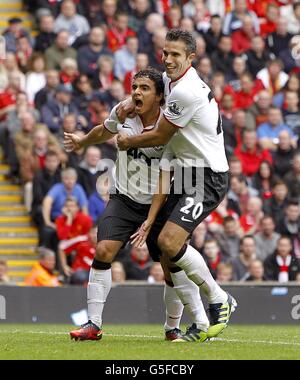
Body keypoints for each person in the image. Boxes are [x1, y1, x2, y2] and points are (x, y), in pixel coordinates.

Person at [65, 68, 207, 342]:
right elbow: (104, 131)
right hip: (124, 198)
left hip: (161, 202)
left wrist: (150, 222)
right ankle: (93, 324)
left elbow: (164, 181)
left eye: (144, 88)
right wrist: (83, 141)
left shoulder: (171, 127)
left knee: (170, 265)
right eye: (135, 87)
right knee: (104, 249)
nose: (137, 92)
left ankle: (172, 327)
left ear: (159, 97)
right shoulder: (123, 112)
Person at [117, 30, 237, 342]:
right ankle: (197, 323)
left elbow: (158, 136)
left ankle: (219, 297)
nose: (168, 60)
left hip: (207, 176)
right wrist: (133, 100)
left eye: (175, 55)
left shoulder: (187, 91)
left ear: (191, 58)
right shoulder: (172, 82)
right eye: (165, 53)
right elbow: (154, 92)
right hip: (183, 171)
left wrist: (127, 141)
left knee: (170, 242)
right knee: (166, 256)